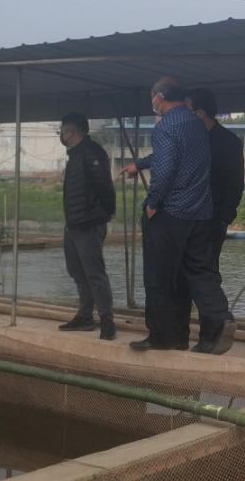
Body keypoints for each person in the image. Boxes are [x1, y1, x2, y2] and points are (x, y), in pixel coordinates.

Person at [126, 77, 235, 354]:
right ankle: (222, 319)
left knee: (160, 277)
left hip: (171, 213)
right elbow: (175, 155)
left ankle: (163, 337)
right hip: (200, 213)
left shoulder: (165, 126)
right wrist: (139, 164)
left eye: (152, 96)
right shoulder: (196, 123)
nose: (152, 101)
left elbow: (164, 170)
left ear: (160, 96)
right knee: (200, 272)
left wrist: (153, 203)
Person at [164, 87, 245, 346]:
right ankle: (177, 335)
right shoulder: (186, 139)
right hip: (181, 218)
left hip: (210, 221)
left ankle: (211, 337)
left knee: (205, 276)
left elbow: (235, 185)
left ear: (199, 113)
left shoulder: (229, 142)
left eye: (185, 111)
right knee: (179, 277)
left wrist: (223, 218)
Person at [56, 112, 118, 341]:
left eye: (62, 131)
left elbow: (104, 187)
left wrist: (105, 214)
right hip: (73, 223)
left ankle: (107, 321)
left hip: (89, 224)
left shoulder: (92, 153)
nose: (61, 136)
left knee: (94, 273)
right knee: (76, 271)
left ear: (71, 132)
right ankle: (85, 316)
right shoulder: (75, 155)